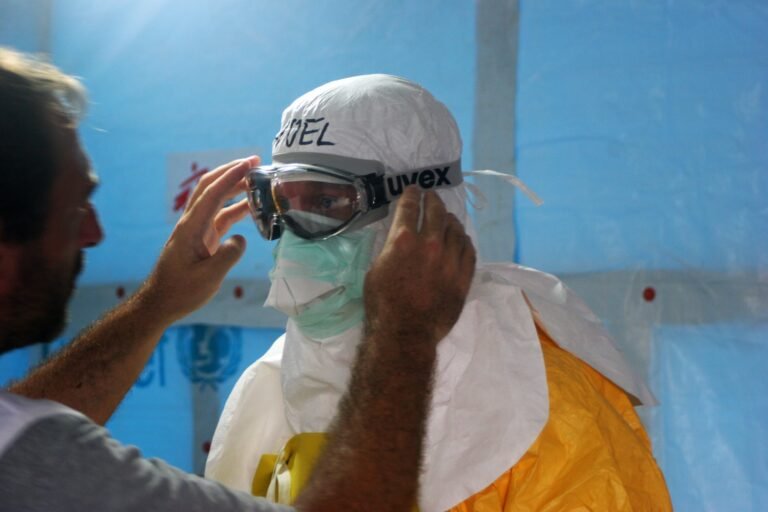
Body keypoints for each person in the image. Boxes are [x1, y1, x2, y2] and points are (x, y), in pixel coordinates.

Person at [0, 47, 476, 511]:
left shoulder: (535, 397)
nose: (94, 233)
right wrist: (405, 335)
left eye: (326, 203)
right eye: (74, 210)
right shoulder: (47, 465)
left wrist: (156, 305)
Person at [205, 74, 674, 511]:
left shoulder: (544, 405)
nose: (292, 244)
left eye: (327, 204)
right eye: (281, 204)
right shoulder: (271, 384)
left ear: (420, 210)